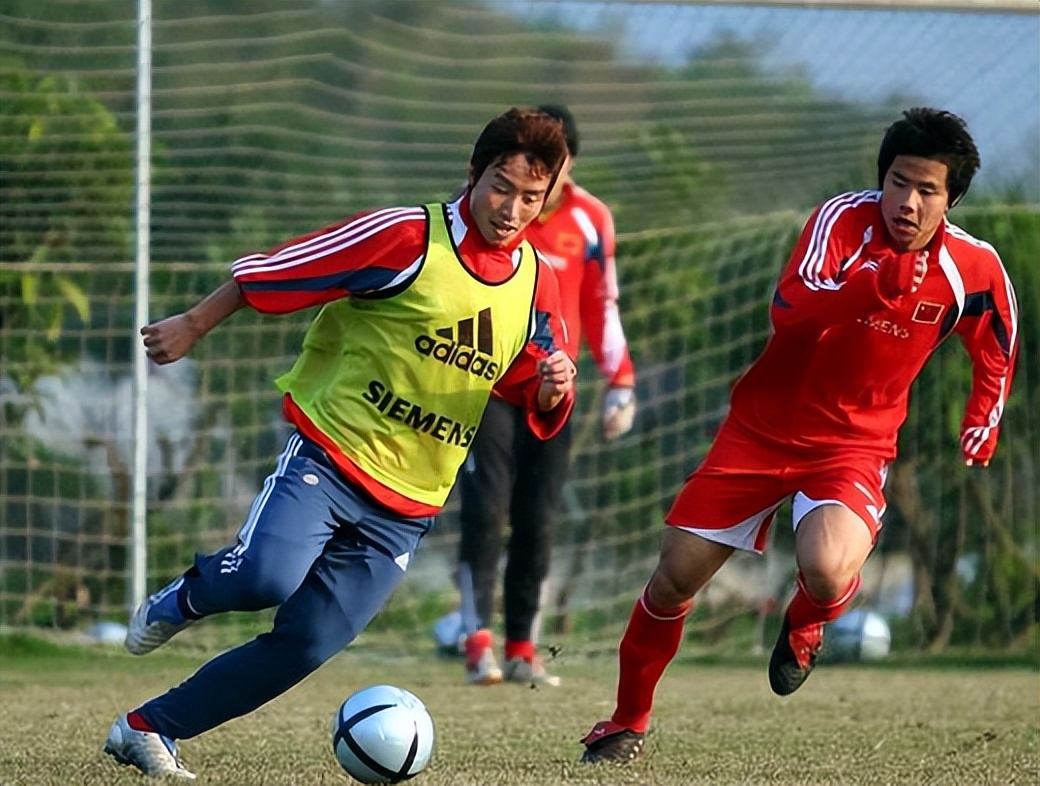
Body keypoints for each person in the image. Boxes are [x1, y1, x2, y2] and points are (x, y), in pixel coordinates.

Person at [101, 107, 577, 780]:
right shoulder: (408, 237)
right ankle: (184, 598)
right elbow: (279, 270)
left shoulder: (539, 281)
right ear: (472, 174)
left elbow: (532, 384)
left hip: (408, 506)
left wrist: (556, 384)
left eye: (532, 196)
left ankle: (149, 729)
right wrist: (194, 323)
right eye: (502, 185)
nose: (513, 207)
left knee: (307, 644)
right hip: (331, 454)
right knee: (267, 576)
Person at [580, 107, 1019, 764]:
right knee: (674, 580)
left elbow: (998, 342)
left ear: (950, 199)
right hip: (760, 431)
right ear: (882, 178)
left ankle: (809, 618)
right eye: (899, 182)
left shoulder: (971, 267)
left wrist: (982, 421)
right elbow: (789, 311)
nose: (908, 201)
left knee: (824, 566)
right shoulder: (840, 222)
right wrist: (868, 289)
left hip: (853, 447)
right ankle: (626, 722)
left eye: (927, 190)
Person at [450, 105, 636, 688]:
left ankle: (522, 650)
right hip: (486, 384)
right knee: (485, 511)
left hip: (554, 392)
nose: (525, 196)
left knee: (538, 521)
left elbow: (602, 303)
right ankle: (476, 642)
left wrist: (621, 381)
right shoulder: (496, 205)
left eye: (550, 170)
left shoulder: (590, 219)